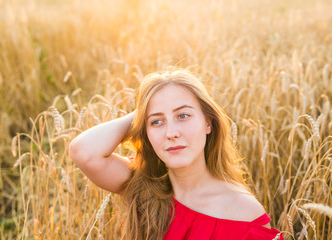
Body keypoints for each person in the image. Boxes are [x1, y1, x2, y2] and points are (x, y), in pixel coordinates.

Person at [69, 68, 284, 240]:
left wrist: (157, 109)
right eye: (157, 122)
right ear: (146, 131)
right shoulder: (143, 186)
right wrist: (145, 109)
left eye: (183, 115)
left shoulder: (244, 213)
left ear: (208, 123)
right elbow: (84, 151)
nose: (171, 133)